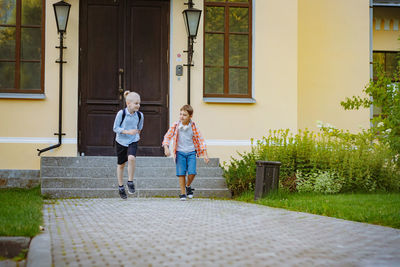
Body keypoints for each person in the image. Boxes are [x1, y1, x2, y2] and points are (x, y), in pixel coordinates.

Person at [162, 104, 209, 201]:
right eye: (180, 114)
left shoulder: (193, 127)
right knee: (181, 173)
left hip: (191, 152)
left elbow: (201, 140)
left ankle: (188, 186)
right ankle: (183, 193)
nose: (181, 117)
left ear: (190, 116)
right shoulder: (175, 126)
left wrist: (205, 154)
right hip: (180, 152)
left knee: (192, 172)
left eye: (184, 115)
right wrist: (166, 148)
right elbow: (167, 137)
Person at [113, 91, 143, 199]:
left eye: (139, 103)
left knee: (131, 158)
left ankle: (130, 181)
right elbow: (115, 128)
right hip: (121, 141)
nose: (138, 105)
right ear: (128, 104)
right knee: (121, 165)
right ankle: (121, 186)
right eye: (136, 103)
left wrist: (134, 135)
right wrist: (127, 132)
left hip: (133, 140)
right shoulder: (121, 114)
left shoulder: (140, 115)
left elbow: (139, 128)